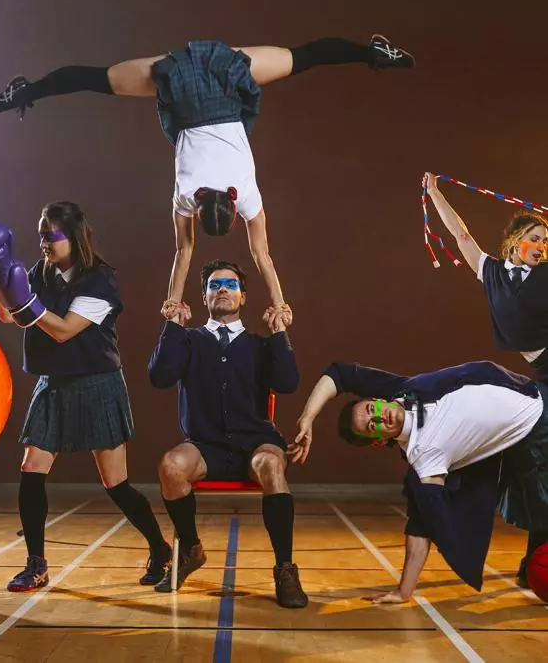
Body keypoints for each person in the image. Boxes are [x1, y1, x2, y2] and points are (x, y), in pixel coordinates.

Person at [0, 35, 414, 326]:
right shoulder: (187, 196)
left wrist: (280, 301)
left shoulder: (246, 194)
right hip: (185, 92)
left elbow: (260, 255)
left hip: (226, 84)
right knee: (98, 80)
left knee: (302, 59)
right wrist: (175, 299)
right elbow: (185, 250)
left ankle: (374, 53)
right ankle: (372, 52)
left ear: (231, 207)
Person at [0, 201, 170, 592]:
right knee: (31, 469)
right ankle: (36, 564)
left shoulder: (99, 279)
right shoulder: (39, 272)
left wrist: (26, 301)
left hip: (97, 383)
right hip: (54, 382)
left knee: (116, 484)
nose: (43, 243)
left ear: (73, 237)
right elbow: (10, 316)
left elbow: (62, 330)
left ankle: (160, 548)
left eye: (51, 236)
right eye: (40, 235)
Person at [295, 358, 548, 602]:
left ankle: (530, 568)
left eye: (372, 409)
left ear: (378, 400)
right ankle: (534, 569)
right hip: (536, 426)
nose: (380, 417)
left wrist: (307, 417)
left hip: (531, 390)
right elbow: (421, 525)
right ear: (380, 441)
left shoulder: (402, 389)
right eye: (372, 426)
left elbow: (340, 374)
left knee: (540, 506)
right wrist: (403, 591)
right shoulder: (424, 457)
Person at [147, 259, 308, 608]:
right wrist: (172, 325)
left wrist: (280, 333)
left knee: (271, 464)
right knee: (171, 466)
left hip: (256, 444)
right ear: (204, 297)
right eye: (214, 285)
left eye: (231, 285)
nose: (222, 289)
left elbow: (288, 383)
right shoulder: (188, 340)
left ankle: (285, 569)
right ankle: (191, 549)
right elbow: (159, 377)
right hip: (206, 446)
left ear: (243, 297)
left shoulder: (260, 345)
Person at [425, 172, 548, 586]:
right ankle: (536, 558)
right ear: (515, 243)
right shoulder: (490, 271)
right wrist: (435, 193)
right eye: (534, 238)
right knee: (536, 462)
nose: (541, 246)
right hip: (544, 371)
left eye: (545, 241)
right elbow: (460, 233)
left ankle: (534, 560)